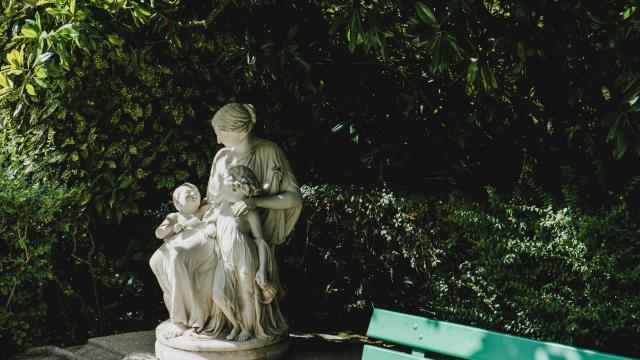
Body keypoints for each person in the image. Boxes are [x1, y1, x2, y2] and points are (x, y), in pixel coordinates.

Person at [149, 102, 301, 340]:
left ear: (238, 130)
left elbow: (293, 198)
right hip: (214, 224)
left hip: (241, 232)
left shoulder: (269, 151)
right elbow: (211, 201)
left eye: (221, 133)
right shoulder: (221, 157)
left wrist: (256, 203)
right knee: (162, 258)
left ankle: (185, 321)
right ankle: (183, 319)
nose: (217, 140)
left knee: (179, 256)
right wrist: (187, 217)